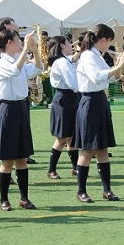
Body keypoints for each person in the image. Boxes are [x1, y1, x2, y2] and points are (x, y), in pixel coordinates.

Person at [72, 25, 124, 202]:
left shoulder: (97, 55)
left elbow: (109, 77)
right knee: (88, 149)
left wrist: (120, 69)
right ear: (103, 39)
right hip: (90, 101)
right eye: (109, 41)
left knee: (102, 148)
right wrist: (118, 65)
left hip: (100, 101)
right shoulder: (88, 55)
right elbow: (97, 77)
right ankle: (81, 190)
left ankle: (107, 189)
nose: (110, 46)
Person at [0, 29, 41, 211]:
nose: (21, 42)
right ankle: (4, 199)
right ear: (9, 43)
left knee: (22, 158)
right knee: (7, 160)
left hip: (20, 108)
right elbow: (14, 71)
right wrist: (25, 50)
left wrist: (34, 50)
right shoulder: (2, 63)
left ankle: (24, 198)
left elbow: (38, 68)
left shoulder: (17, 60)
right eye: (18, 39)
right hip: (7, 109)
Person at [47, 36, 80, 180]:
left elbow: (74, 59)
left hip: (69, 98)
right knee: (62, 137)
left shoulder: (64, 60)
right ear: (61, 45)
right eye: (67, 43)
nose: (70, 45)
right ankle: (51, 169)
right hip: (65, 99)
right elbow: (73, 83)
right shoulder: (61, 62)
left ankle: (75, 167)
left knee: (71, 135)